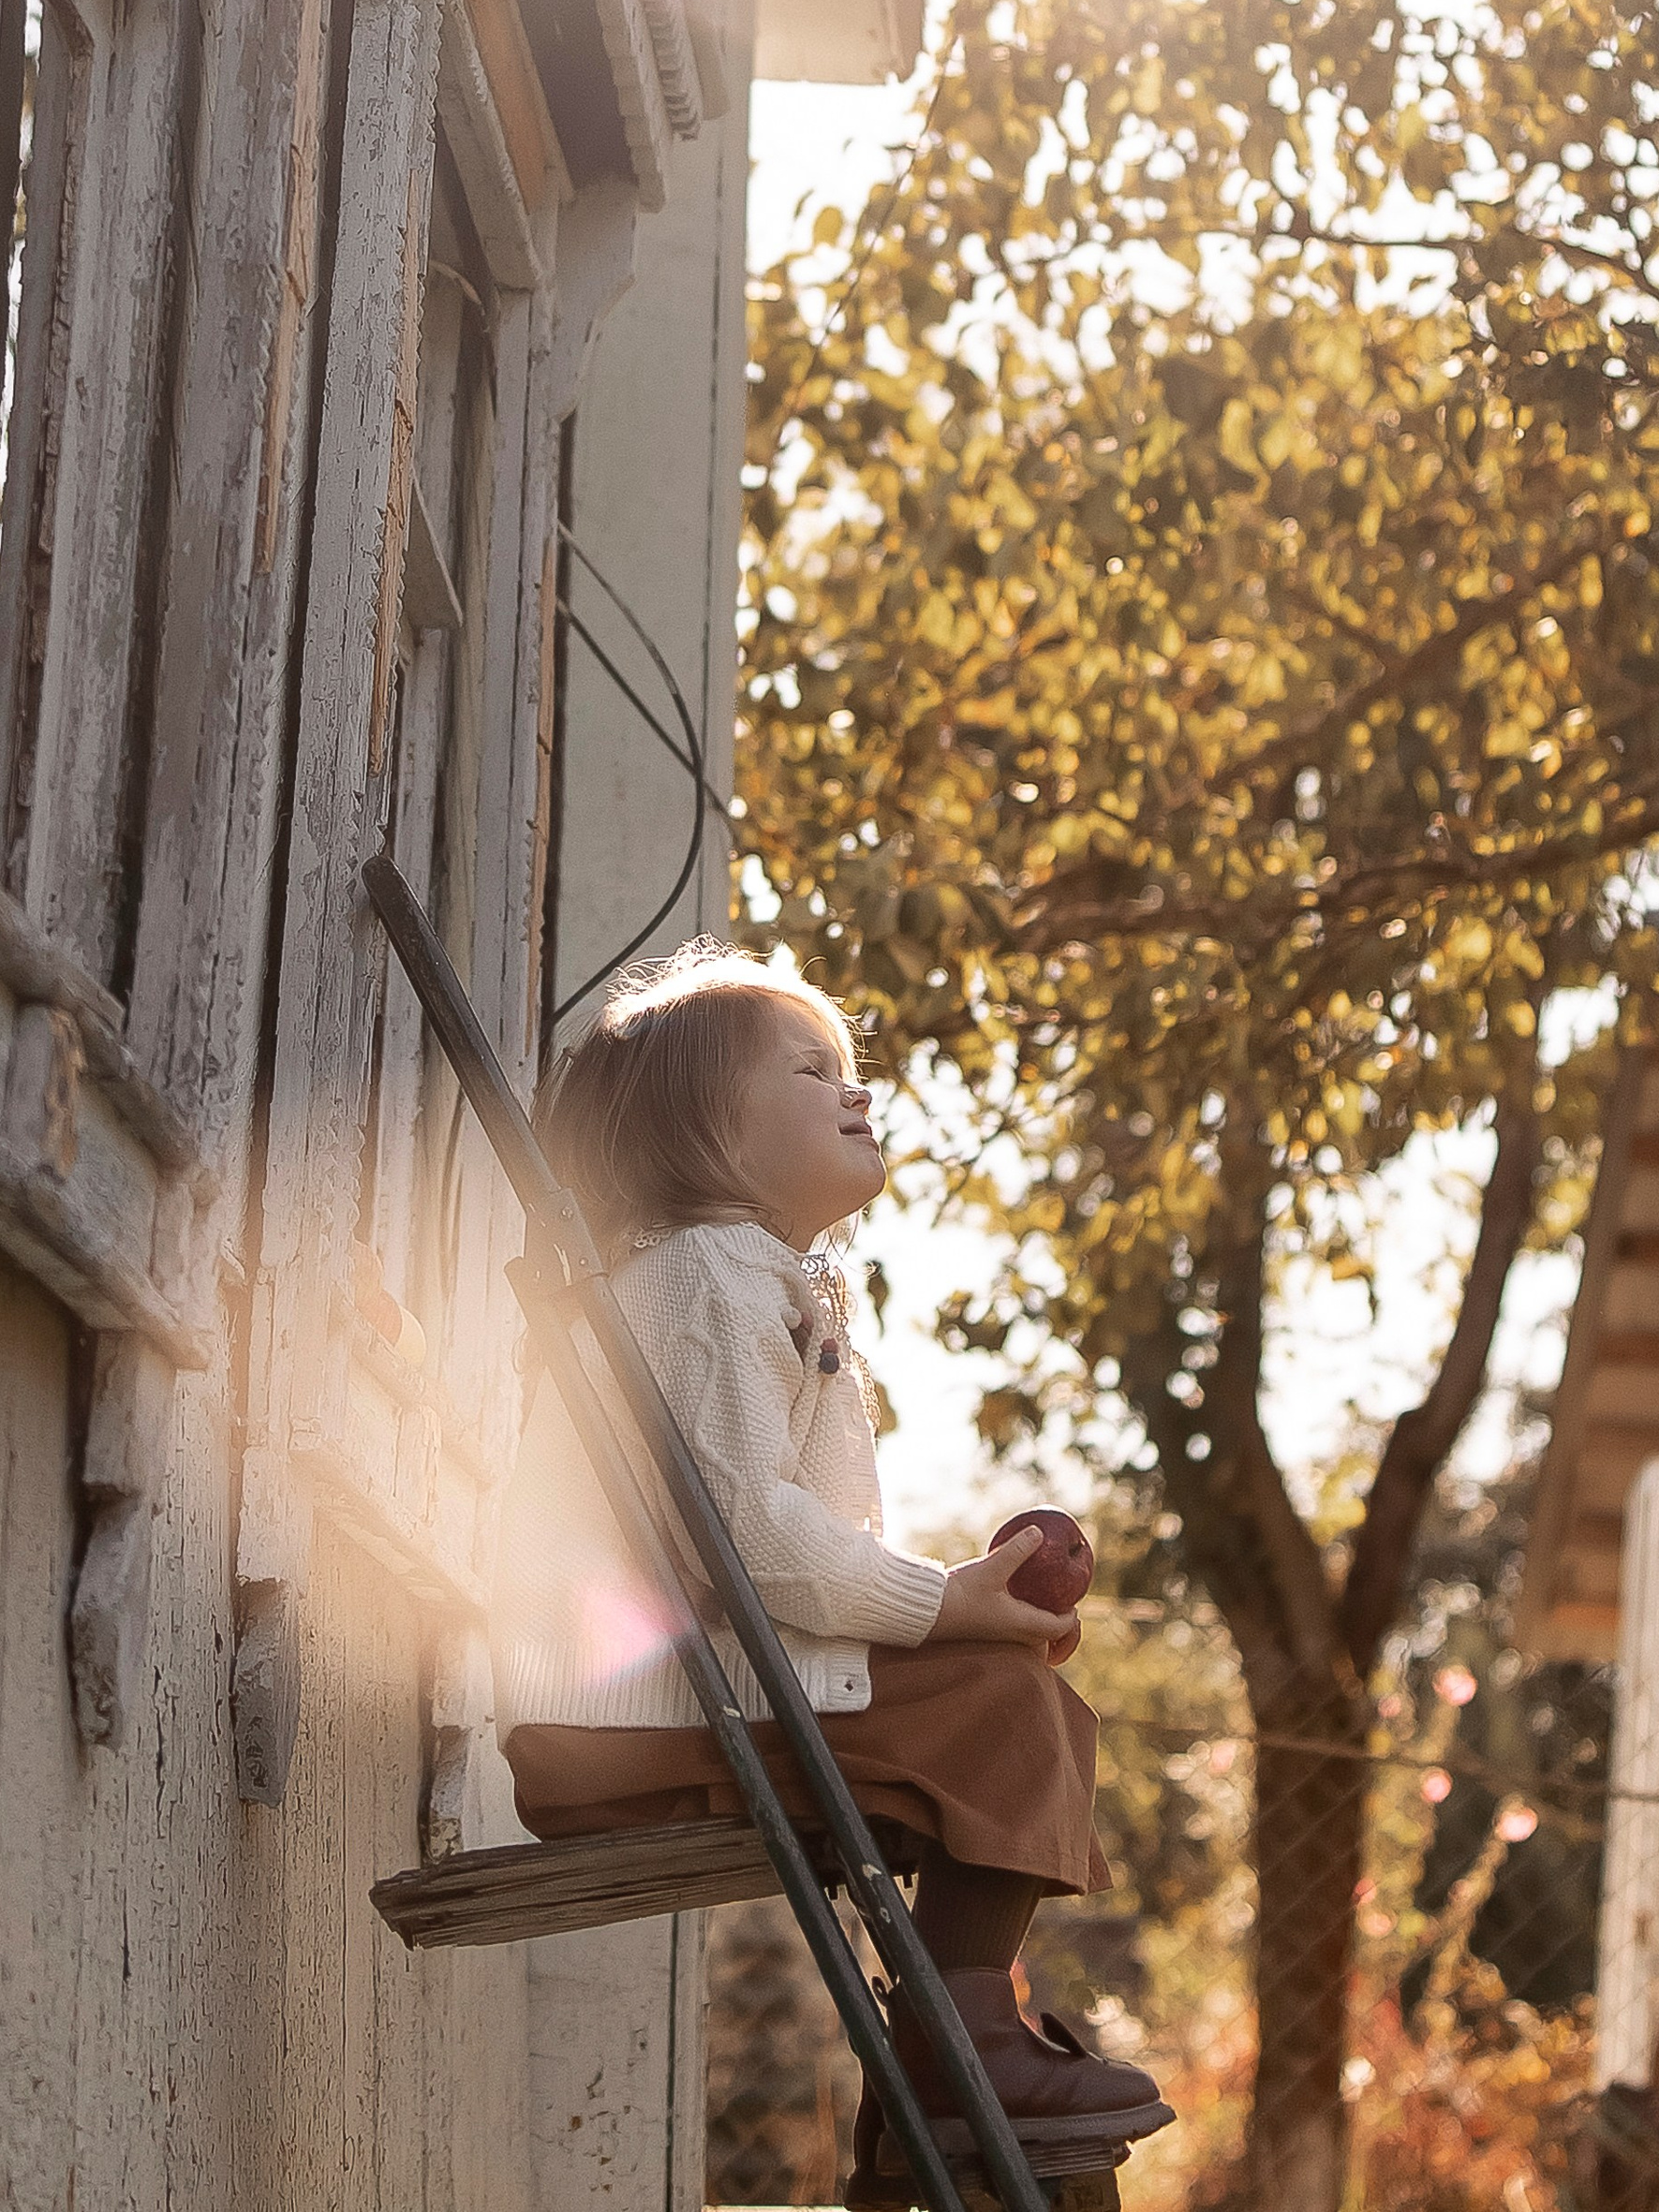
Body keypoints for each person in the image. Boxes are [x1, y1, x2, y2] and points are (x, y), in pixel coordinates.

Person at [491, 936, 1168, 2195]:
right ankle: (958, 2056)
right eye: (811, 1069)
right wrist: (944, 1604)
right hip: (631, 1720)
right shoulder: (704, 1277)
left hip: (682, 1697)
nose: (856, 1091)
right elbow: (739, 1532)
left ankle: (948, 2056)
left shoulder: (756, 1280)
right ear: (707, 1125)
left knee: (1018, 1701)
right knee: (1010, 1708)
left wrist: (953, 1609)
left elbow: (780, 1546)